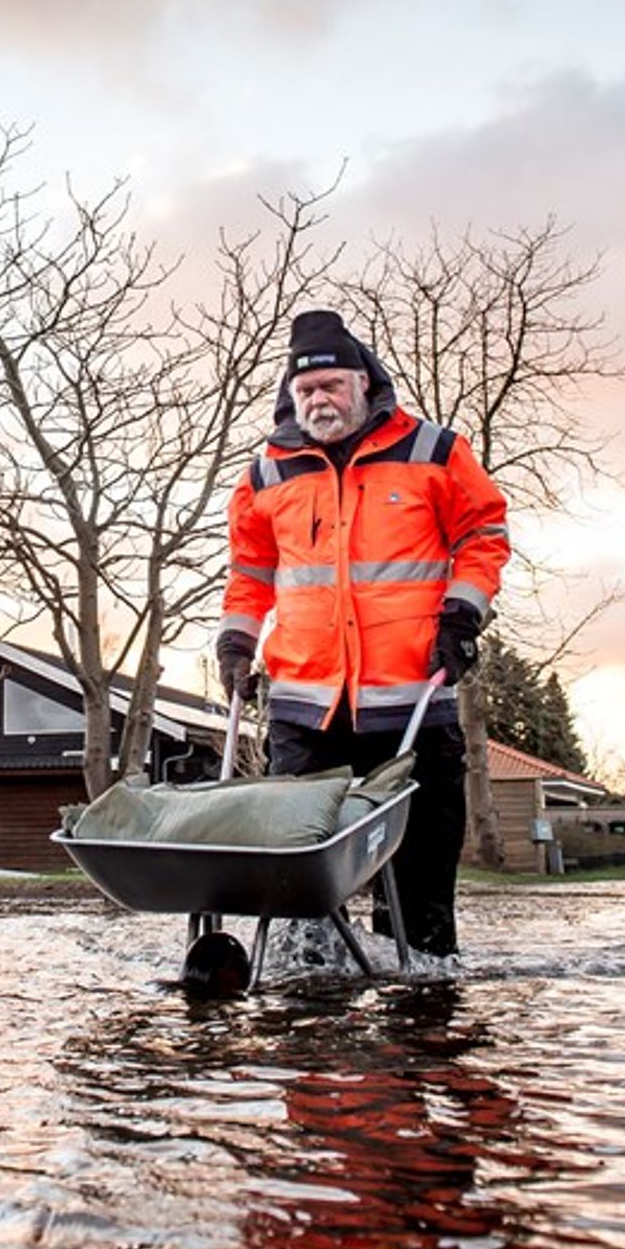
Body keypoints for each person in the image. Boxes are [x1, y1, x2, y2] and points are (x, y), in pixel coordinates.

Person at [216, 309, 509, 958]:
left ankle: (422, 1028)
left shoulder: (433, 451)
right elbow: (250, 575)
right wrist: (236, 642)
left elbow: (484, 536)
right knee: (299, 889)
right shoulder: (266, 473)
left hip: (411, 705)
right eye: (306, 391)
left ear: (364, 382)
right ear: (290, 397)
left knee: (418, 885)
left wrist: (462, 617)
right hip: (304, 712)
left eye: (332, 386)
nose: (320, 399)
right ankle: (308, 1008)